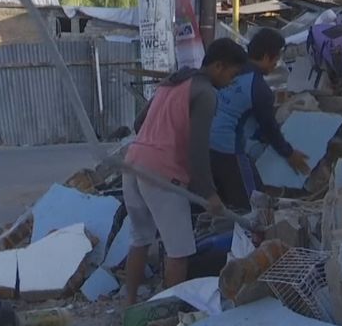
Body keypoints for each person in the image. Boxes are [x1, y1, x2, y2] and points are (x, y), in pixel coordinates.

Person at [122, 39, 248, 305]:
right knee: (178, 251)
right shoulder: (205, 93)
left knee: (140, 239)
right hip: (162, 173)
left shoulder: (172, 82)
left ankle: (129, 304)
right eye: (232, 74)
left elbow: (138, 122)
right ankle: (172, 315)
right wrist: (209, 192)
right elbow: (198, 148)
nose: (231, 81)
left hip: (132, 162)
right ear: (218, 66)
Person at [209, 28, 309, 210]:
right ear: (265, 56)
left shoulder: (232, 71)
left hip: (205, 144)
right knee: (252, 202)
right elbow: (269, 127)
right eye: (276, 59)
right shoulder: (259, 88)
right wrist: (289, 153)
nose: (276, 64)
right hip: (228, 148)